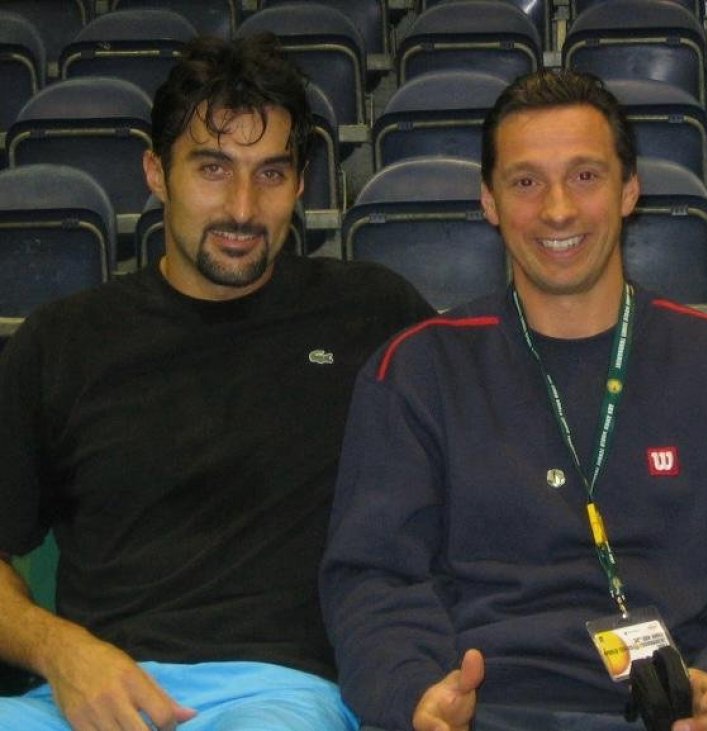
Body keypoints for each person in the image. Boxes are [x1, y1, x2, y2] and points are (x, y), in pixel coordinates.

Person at [0, 33, 433, 731]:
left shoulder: (372, 315)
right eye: (212, 168)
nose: (242, 207)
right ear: (156, 172)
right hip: (89, 695)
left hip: (280, 694)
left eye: (271, 174)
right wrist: (60, 650)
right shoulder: (62, 341)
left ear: (300, 183)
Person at [320, 69, 707, 731]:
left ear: (629, 189)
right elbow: (372, 580)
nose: (557, 210)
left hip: (677, 712)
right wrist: (415, 694)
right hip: (484, 709)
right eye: (526, 182)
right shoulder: (417, 370)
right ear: (490, 201)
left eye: (585, 176)